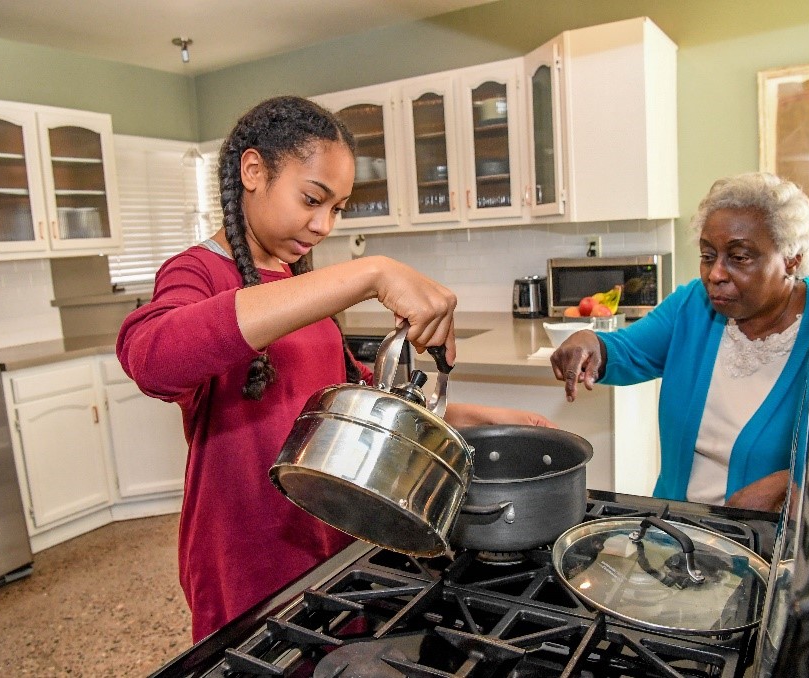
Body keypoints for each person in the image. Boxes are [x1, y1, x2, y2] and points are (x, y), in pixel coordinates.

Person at [116, 95, 554, 641]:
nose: (324, 224)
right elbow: (153, 356)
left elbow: (351, 397)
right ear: (253, 171)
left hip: (332, 540)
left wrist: (466, 416)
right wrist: (369, 271)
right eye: (312, 199)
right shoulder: (197, 271)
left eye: (339, 208)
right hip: (248, 560)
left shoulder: (298, 283)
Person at [550, 172, 809, 513]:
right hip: (676, 531)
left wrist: (798, 482)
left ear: (791, 258)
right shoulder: (692, 305)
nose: (716, 274)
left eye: (739, 257)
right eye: (708, 255)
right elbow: (626, 349)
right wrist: (590, 342)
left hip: (775, 546)